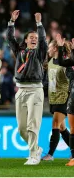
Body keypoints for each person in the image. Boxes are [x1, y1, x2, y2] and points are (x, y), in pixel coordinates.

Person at [6, 10, 47, 165]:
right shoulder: (20, 51)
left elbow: (43, 41)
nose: (35, 39)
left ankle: (33, 156)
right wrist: (11, 21)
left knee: (32, 125)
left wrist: (39, 24)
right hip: (21, 90)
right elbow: (10, 39)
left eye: (36, 38)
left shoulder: (40, 53)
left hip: (35, 90)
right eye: (32, 37)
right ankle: (36, 148)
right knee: (22, 129)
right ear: (26, 40)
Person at [42, 37, 70, 161]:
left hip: (63, 97)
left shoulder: (65, 62)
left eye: (49, 47)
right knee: (62, 128)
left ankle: (50, 154)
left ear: (54, 48)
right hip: (53, 98)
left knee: (55, 124)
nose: (48, 49)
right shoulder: (50, 62)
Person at [56, 34, 74, 166]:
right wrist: (61, 47)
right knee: (73, 129)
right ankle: (73, 157)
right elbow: (62, 62)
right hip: (72, 96)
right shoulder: (70, 63)